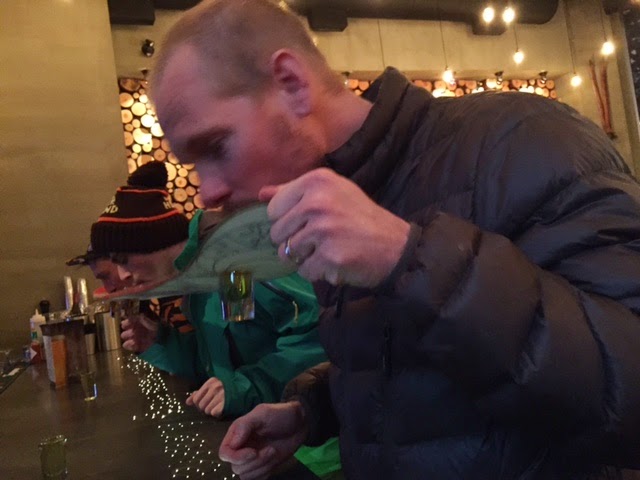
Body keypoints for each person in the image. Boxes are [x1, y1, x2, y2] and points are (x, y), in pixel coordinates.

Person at [148, 1, 640, 479]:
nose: (207, 191)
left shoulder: (524, 138)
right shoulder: (328, 199)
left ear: (291, 83)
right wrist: (315, 411)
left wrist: (407, 257)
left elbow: (629, 386)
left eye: (216, 146)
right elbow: (423, 376)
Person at [70, 161, 342, 479]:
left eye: (123, 260)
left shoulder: (234, 263)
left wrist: (243, 386)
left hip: (321, 453)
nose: (124, 277)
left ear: (148, 241)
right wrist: (160, 343)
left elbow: (319, 337)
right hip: (266, 444)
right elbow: (221, 359)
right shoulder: (200, 280)